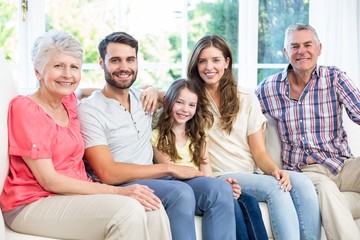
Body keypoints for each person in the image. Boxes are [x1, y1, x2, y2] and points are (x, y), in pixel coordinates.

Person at [0, 30, 171, 240]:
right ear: (38, 71)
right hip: (32, 203)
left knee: (151, 206)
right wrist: (116, 192)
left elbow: (95, 92)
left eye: (74, 67)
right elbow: (49, 180)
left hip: (70, 195)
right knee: (127, 210)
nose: (68, 75)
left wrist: (151, 88)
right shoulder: (27, 108)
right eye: (58, 66)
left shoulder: (69, 102)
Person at [77, 31, 237, 240]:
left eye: (130, 60)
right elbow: (107, 173)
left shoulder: (144, 98)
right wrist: (170, 168)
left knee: (219, 190)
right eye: (115, 60)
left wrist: (154, 89)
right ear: (101, 62)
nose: (124, 67)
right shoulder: (90, 110)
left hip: (160, 180)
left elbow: (180, 97)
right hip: (124, 183)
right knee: (180, 193)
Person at [187, 34, 321, 240]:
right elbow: (167, 98)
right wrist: (152, 91)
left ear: (226, 63)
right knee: (276, 189)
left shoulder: (247, 98)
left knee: (301, 183)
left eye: (215, 60)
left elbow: (259, 151)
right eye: (202, 61)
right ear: (196, 65)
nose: (208, 67)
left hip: (251, 173)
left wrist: (276, 170)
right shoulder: (189, 99)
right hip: (221, 175)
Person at [256, 23, 360, 240]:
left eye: (307, 44)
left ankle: (339, 208)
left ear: (319, 48)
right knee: (327, 192)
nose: (301, 51)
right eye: (294, 46)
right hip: (306, 172)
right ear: (286, 52)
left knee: (333, 199)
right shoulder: (269, 88)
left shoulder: (334, 78)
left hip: (343, 164)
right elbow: (239, 110)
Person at [152, 77, 268, 240]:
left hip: (202, 183)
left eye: (191, 105)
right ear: (169, 101)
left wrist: (222, 185)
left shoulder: (198, 136)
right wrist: (215, 185)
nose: (185, 109)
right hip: (180, 186)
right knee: (231, 203)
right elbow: (172, 171)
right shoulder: (158, 136)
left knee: (250, 202)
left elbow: (207, 171)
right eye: (179, 102)